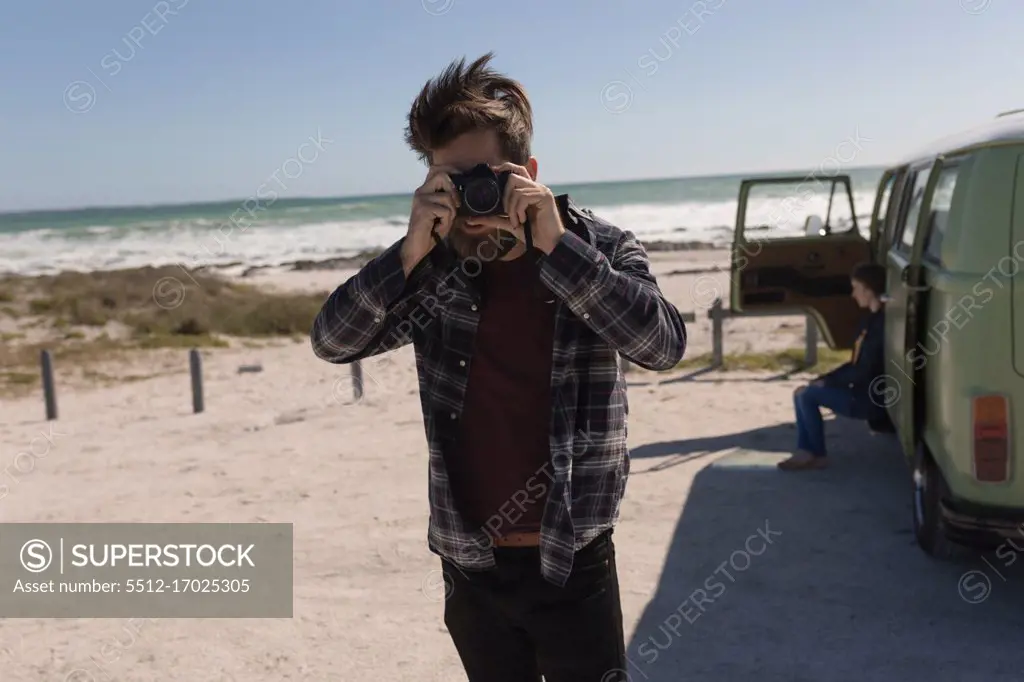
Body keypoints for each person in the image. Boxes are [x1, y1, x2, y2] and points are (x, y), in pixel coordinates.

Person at [310, 53, 687, 681]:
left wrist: (555, 247)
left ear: (528, 172)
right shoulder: (431, 268)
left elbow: (663, 346)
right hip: (469, 563)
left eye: (484, 176)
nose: (471, 197)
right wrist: (407, 252)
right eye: (450, 179)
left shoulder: (601, 248)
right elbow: (333, 340)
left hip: (575, 556)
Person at [777, 262, 887, 471]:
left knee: (807, 395)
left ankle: (814, 453)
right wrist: (825, 378)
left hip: (869, 399)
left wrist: (827, 381)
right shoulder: (869, 321)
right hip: (859, 389)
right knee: (802, 392)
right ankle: (808, 452)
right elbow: (855, 364)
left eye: (856, 288)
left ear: (868, 290)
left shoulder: (880, 326)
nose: (853, 294)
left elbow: (863, 371)